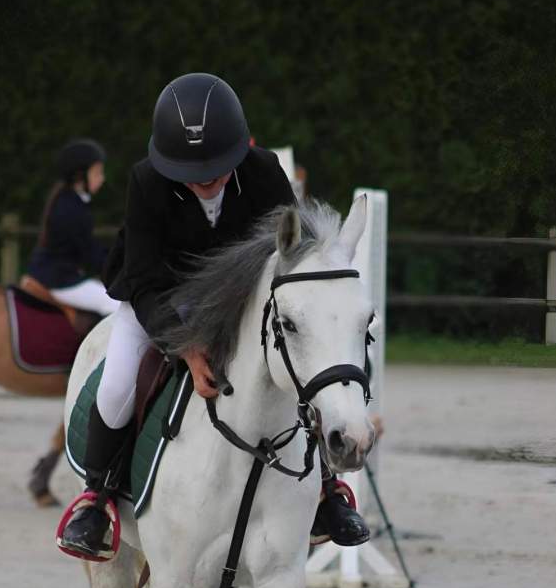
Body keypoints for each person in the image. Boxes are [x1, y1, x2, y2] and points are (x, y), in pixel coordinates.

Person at [57, 73, 369, 560]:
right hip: (163, 294)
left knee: (298, 369)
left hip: (242, 300)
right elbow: (142, 278)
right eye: (191, 170)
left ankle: (328, 493)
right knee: (118, 382)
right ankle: (97, 497)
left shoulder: (264, 170)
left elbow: (295, 256)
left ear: (242, 148)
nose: (205, 179)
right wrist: (185, 345)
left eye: (217, 168)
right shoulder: (146, 180)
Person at [25, 139, 119, 317]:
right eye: (97, 172)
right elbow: (90, 253)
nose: (102, 178)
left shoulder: (70, 201)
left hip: (61, 275)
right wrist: (121, 271)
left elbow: (91, 248)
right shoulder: (71, 209)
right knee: (115, 305)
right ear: (80, 176)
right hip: (59, 280)